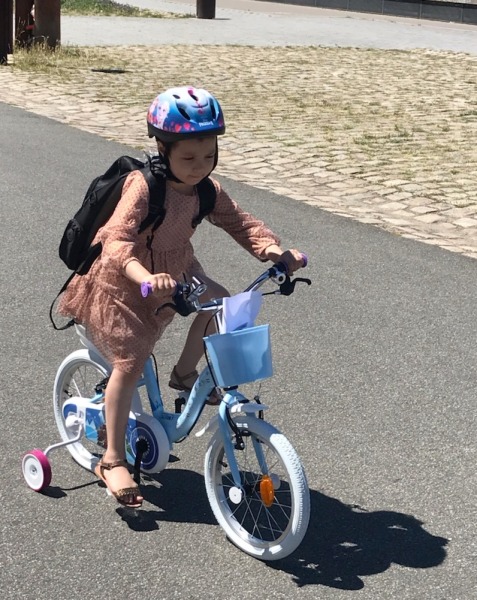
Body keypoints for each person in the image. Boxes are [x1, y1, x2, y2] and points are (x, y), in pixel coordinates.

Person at [58, 86, 306, 509]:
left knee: (222, 304)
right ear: (163, 148)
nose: (199, 166)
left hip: (175, 272)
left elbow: (240, 222)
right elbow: (115, 242)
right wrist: (144, 277)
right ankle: (112, 460)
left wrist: (272, 250)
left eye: (208, 155)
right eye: (188, 157)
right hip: (123, 281)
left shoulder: (207, 190)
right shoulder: (143, 187)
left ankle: (185, 374)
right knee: (129, 364)